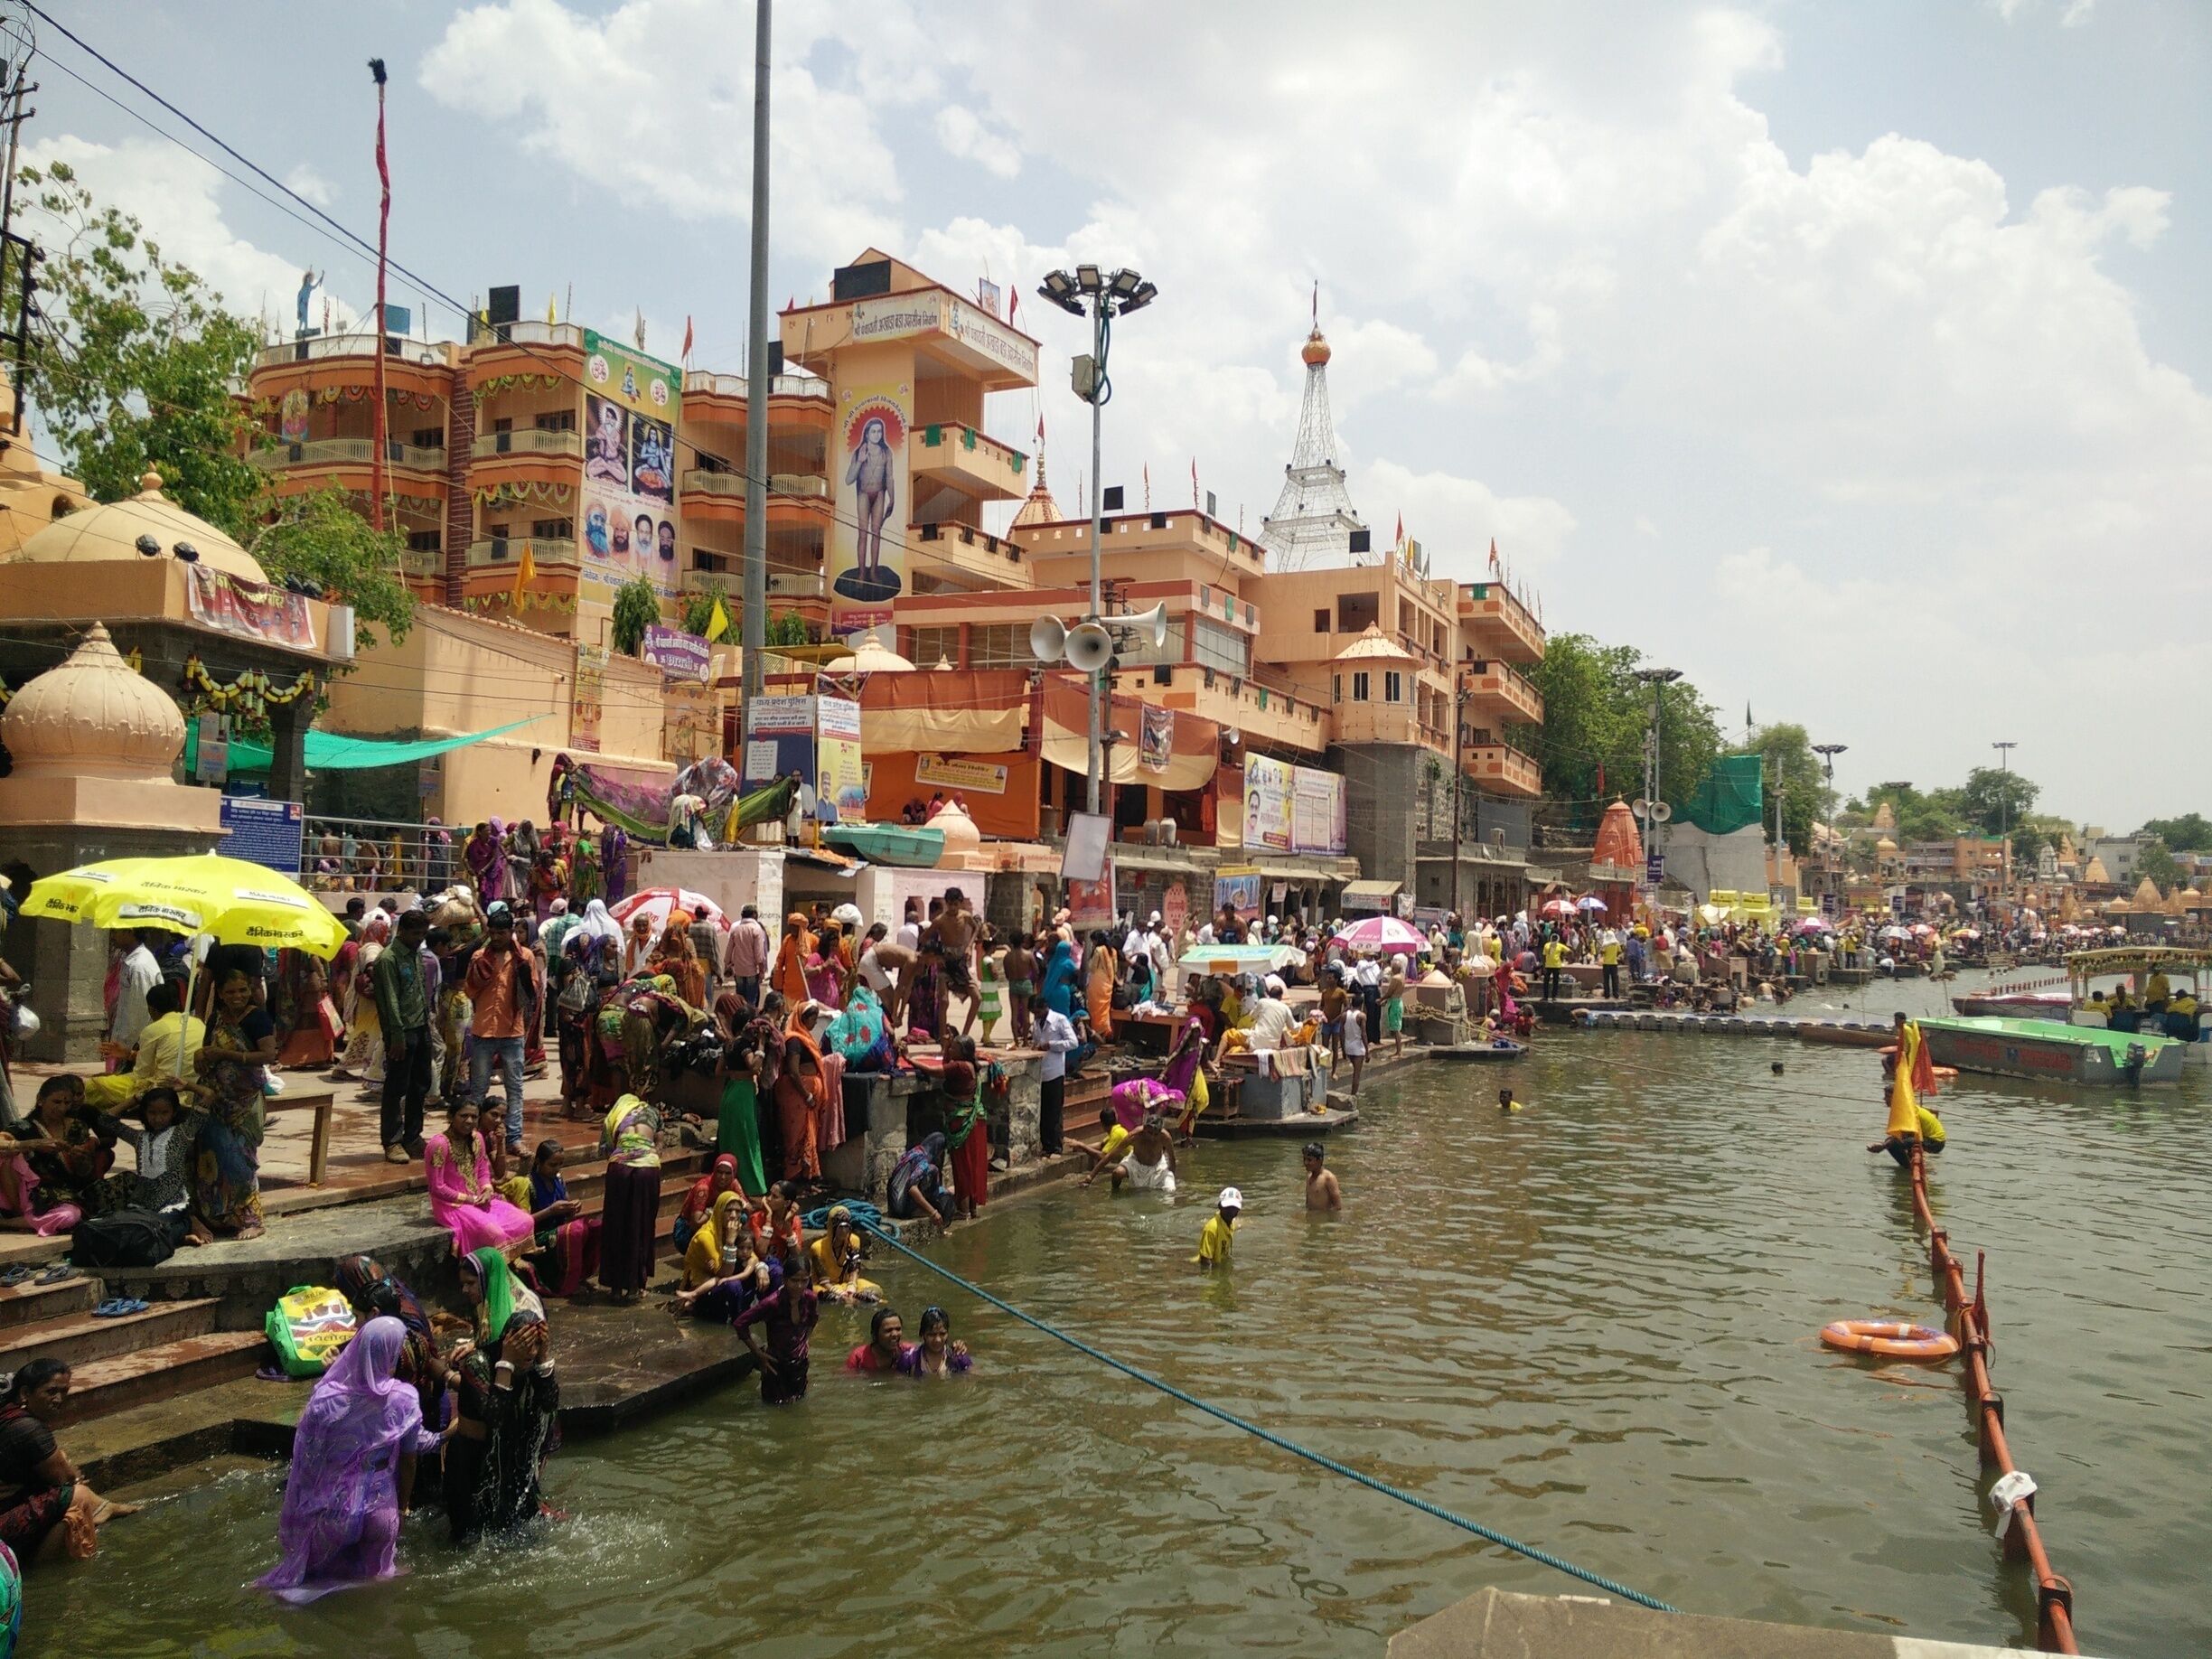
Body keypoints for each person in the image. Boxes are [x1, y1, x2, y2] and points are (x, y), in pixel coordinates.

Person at [256, 1316, 443, 1604]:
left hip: (335, 1509)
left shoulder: (326, 1399)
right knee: (379, 1580)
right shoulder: (403, 1399)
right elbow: (411, 1458)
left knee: (313, 1582)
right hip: (381, 1508)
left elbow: (306, 1461)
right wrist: (403, 1506)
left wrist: (304, 1508)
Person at [447, 1248, 558, 1547]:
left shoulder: (532, 1360)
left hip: (508, 1461)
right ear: (508, 1344)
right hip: (472, 1466)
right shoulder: (478, 1364)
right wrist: (507, 1363)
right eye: (525, 1349)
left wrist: (543, 1359)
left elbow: (550, 1403)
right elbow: (495, 1417)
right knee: (469, 1544)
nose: (529, 1358)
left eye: (534, 1349)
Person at [0, 1359, 138, 1562]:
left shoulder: (10, 1417)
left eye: (64, 1392)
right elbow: (66, 1479)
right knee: (77, 1496)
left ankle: (102, 1507)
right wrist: (66, 1467)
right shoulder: (27, 1428)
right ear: (25, 1393)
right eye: (51, 1392)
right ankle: (101, 1511)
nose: (58, 1399)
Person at [189, 968, 276, 1240]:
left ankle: (251, 1218)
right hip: (215, 1099)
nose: (236, 996)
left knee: (240, 1159)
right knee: (212, 1159)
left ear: (249, 991)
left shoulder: (258, 1019)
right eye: (230, 992)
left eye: (242, 990)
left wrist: (226, 1054)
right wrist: (201, 1056)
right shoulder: (215, 1018)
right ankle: (219, 1217)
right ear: (221, 995)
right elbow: (205, 1051)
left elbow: (268, 1054)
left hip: (244, 1102)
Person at [333, 1254, 448, 1428]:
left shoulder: (397, 1347)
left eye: (357, 1316)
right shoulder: (397, 1315)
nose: (355, 1324)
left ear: (374, 1313)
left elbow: (373, 1393)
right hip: (424, 1412)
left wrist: (337, 1370)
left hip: (410, 1421)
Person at [464, 904, 539, 1158]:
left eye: (501, 933)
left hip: (512, 1031)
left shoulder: (525, 957)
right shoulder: (479, 957)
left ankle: (514, 1138)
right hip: (483, 1029)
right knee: (478, 1088)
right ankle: (472, 1137)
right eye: (492, 933)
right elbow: (470, 992)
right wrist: (479, 977)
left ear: (510, 933)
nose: (496, 938)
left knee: (515, 1088)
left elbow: (532, 994)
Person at [423, 1100, 535, 1257]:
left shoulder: (478, 1139)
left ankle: (510, 1263)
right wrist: (471, 1199)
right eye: (464, 1116)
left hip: (479, 1199)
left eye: (474, 1117)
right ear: (450, 1117)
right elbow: (437, 1188)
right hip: (451, 1206)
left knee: (525, 1221)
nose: (469, 1121)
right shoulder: (439, 1144)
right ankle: (492, 1271)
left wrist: (487, 1190)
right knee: (495, 1233)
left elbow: (482, 1172)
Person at [80, 979, 204, 1111]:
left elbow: (142, 1074)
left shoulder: (154, 1029)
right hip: (193, 1088)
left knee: (92, 1086)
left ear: (152, 1009)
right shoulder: (198, 1023)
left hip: (164, 1090)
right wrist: (128, 1054)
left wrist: (113, 1077)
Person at [372, 908, 435, 1165]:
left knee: (420, 1084)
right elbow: (390, 1000)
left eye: (423, 934)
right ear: (403, 931)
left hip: (421, 1026)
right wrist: (396, 1035)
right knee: (397, 1086)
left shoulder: (415, 955)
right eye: (416, 934)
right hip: (401, 1030)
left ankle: (413, 1136)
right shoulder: (388, 959)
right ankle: (392, 1140)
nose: (420, 938)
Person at [597, 1093, 661, 1300]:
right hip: (647, 1168)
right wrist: (646, 1153)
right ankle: (636, 1286)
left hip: (620, 1168)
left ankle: (616, 1288)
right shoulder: (653, 1112)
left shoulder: (614, 1117)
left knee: (616, 1225)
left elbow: (606, 1151)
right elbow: (659, 1144)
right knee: (641, 1224)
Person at [736, 1255, 819, 1405]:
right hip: (775, 1366)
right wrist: (758, 1354)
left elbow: (813, 1320)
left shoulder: (810, 1299)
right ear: (785, 1279)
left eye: (804, 1280)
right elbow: (740, 1324)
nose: (799, 1286)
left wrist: (806, 1340)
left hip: (799, 1365)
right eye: (794, 1280)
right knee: (774, 1410)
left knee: (799, 1411)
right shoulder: (772, 1303)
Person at [523, 1140, 600, 1298]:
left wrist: (573, 1207)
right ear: (539, 1162)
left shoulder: (558, 1179)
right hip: (538, 1237)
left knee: (596, 1226)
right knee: (574, 1232)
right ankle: (566, 1284)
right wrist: (550, 1211)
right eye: (552, 1165)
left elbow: (567, 1214)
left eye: (560, 1165)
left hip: (560, 1230)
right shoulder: (527, 1184)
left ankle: (579, 1276)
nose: (557, 1169)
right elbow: (522, 1223)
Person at [940, 1035, 989, 1222]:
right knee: (973, 1165)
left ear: (963, 1051)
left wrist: (909, 1059)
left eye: (953, 1048)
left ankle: (963, 1210)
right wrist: (946, 1048)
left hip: (962, 1121)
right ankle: (973, 1209)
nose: (951, 1050)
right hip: (975, 1121)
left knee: (962, 1166)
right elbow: (947, 1064)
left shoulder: (960, 1067)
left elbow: (935, 1071)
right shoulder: (970, 1066)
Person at [808, 1204, 881, 1304]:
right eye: (840, 1227)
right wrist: (839, 1293)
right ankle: (852, 1301)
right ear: (832, 1228)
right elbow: (823, 1281)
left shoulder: (854, 1241)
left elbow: (854, 1270)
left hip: (847, 1284)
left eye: (846, 1227)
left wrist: (852, 1287)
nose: (843, 1231)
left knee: (876, 1291)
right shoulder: (817, 1248)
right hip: (824, 1287)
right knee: (833, 1298)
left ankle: (854, 1300)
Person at [674, 1153, 741, 1257]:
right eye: (719, 1172)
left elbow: (748, 1208)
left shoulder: (733, 1183)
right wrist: (717, 1207)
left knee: (742, 1217)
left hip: (712, 1224)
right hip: (687, 1231)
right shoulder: (704, 1188)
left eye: (728, 1173)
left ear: (734, 1173)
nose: (723, 1177)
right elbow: (696, 1222)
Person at [1035, 1003, 1080, 1155]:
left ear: (1043, 1008)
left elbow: (1073, 1042)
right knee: (1043, 1111)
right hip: (1041, 1072)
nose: (1035, 1015)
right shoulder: (1036, 1023)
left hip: (1055, 1072)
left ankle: (1056, 1147)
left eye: (1037, 1011)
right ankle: (1045, 1145)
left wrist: (1052, 1045)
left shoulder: (1060, 1020)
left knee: (1054, 1111)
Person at [886, 1132, 952, 1225]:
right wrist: (933, 1212)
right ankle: (916, 1212)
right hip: (900, 1206)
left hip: (893, 1205)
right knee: (933, 1171)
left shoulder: (913, 1152)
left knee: (942, 1190)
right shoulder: (922, 1160)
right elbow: (912, 1188)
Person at [895, 1306, 972, 1377]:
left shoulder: (958, 1358)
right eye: (932, 1335)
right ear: (922, 1334)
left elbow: (974, 1376)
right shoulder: (909, 1359)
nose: (937, 1340)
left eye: (942, 1334)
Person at [1111, 1113, 1177, 1195]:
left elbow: (1172, 1159)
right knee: (1117, 1173)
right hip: (1136, 1163)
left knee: (1170, 1190)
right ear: (1145, 1128)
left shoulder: (1165, 1137)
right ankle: (1114, 1193)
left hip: (1158, 1166)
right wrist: (1091, 1176)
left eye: (1155, 1134)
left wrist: (1171, 1176)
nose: (1152, 1137)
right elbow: (1111, 1154)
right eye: (1149, 1133)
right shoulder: (1135, 1135)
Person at [727, 904, 770, 1008]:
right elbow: (759, 954)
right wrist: (762, 971)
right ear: (754, 914)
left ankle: (741, 1021)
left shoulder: (735, 929)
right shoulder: (756, 929)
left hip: (738, 971)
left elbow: (729, 950)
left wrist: (727, 964)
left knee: (740, 1001)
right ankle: (749, 1021)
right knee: (751, 1001)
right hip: (751, 971)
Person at [846, 1306, 904, 1374]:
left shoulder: (908, 1353)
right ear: (875, 1334)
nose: (895, 1334)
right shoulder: (858, 1358)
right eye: (888, 1331)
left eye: (898, 1329)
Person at [1193, 1186, 1241, 1270]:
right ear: (1220, 1206)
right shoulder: (1211, 1228)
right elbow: (1205, 1260)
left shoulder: (1230, 1224)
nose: (1231, 1212)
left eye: (1234, 1209)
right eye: (1228, 1208)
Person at [1303, 1142, 1342, 1212]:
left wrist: (1322, 1218)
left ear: (1320, 1160)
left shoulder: (1329, 1178)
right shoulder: (1309, 1177)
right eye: (1304, 1159)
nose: (1305, 1163)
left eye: (1309, 1160)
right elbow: (1308, 1202)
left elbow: (1338, 1206)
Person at [1341, 998, 1368, 1096]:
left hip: (1348, 1046)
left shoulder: (1344, 1015)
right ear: (1361, 1005)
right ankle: (1353, 1095)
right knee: (1357, 1074)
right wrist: (1367, 1052)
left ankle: (1354, 1092)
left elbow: (1341, 1033)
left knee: (1355, 1072)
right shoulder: (1361, 1016)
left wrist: (1343, 1050)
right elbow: (1364, 1034)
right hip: (1358, 1048)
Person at [1598, 926, 1624, 998]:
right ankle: (1616, 994)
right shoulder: (1616, 943)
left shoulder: (1605, 944)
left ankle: (1607, 994)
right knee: (1615, 980)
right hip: (1614, 963)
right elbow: (1619, 952)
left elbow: (1602, 952)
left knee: (1606, 980)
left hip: (1606, 964)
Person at [1541, 933, 1567, 1002]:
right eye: (1553, 937)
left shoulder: (1560, 946)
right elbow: (1543, 956)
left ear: (1557, 938)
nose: (1554, 939)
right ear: (1551, 938)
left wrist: (1564, 957)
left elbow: (1569, 951)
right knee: (1546, 982)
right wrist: (1543, 965)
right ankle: (1545, 997)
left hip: (1557, 966)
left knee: (1555, 982)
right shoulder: (1547, 945)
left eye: (1555, 937)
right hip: (1548, 966)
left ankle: (1554, 997)